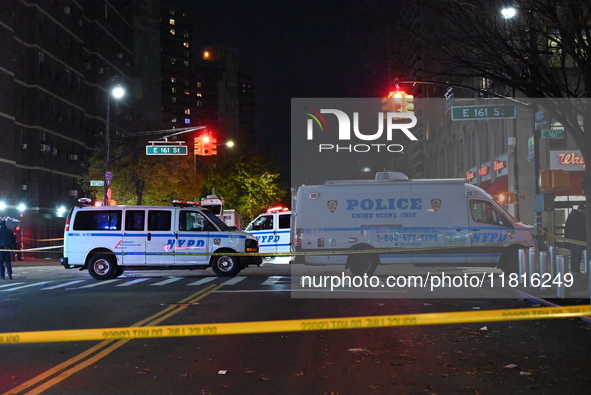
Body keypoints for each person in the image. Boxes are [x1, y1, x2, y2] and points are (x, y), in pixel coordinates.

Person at [564, 204, 586, 275]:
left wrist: (566, 237)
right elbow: (583, 228)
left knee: (573, 254)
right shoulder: (582, 216)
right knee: (578, 255)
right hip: (578, 239)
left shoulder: (571, 215)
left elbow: (566, 226)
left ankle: (573, 270)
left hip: (571, 238)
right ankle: (576, 270)